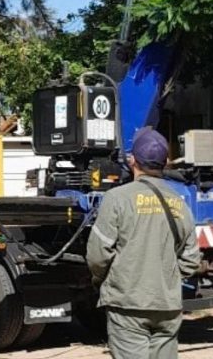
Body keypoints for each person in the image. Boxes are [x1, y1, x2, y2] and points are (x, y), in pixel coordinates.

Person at [86, 127, 201, 359]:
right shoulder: (180, 203)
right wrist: (166, 280)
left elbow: (98, 255)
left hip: (128, 305)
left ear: (132, 161)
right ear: (166, 162)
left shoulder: (117, 199)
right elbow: (191, 260)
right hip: (167, 306)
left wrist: (103, 281)